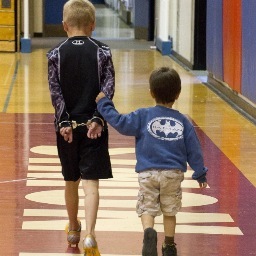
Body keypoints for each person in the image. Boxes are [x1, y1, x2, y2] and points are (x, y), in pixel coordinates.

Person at [95, 67, 208, 256]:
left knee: (147, 206)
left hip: (148, 172)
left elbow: (121, 123)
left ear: (151, 93)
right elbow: (194, 149)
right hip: (173, 173)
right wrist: (200, 172)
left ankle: (149, 233)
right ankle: (170, 245)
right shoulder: (183, 121)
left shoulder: (142, 116)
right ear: (178, 94)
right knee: (170, 209)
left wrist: (104, 104)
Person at [47, 0, 115, 255]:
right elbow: (108, 89)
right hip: (93, 126)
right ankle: (90, 234)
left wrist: (64, 122)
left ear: (64, 25)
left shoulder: (55, 54)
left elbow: (56, 94)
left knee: (70, 180)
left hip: (68, 127)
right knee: (91, 184)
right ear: (93, 26)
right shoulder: (103, 51)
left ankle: (73, 229)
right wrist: (97, 118)